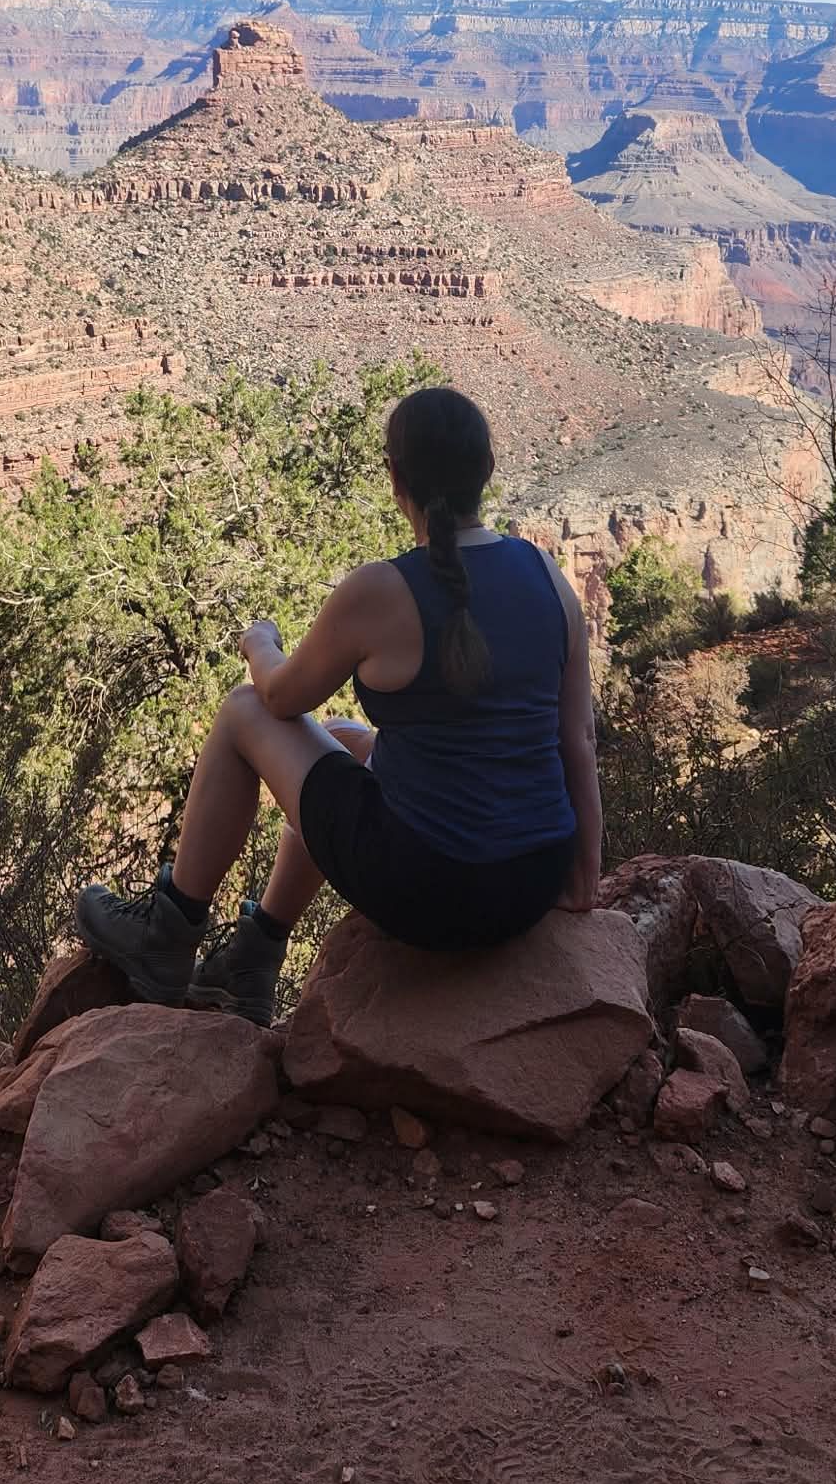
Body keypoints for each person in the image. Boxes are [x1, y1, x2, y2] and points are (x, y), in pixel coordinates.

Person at [76, 383, 603, 1026]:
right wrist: (582, 879)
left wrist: (259, 643)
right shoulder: (549, 575)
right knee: (344, 737)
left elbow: (277, 696)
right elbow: (576, 739)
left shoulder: (382, 590)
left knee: (242, 711)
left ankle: (168, 931)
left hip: (431, 890)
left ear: (393, 479)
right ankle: (256, 951)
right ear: (486, 471)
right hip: (529, 882)